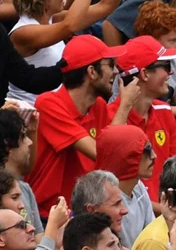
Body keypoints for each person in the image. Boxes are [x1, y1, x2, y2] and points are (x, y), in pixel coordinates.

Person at [30, 35, 126, 212]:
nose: (115, 71)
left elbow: (109, 164)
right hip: (47, 215)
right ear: (91, 72)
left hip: (85, 211)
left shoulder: (98, 106)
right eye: (110, 64)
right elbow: (104, 154)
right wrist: (125, 104)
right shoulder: (48, 103)